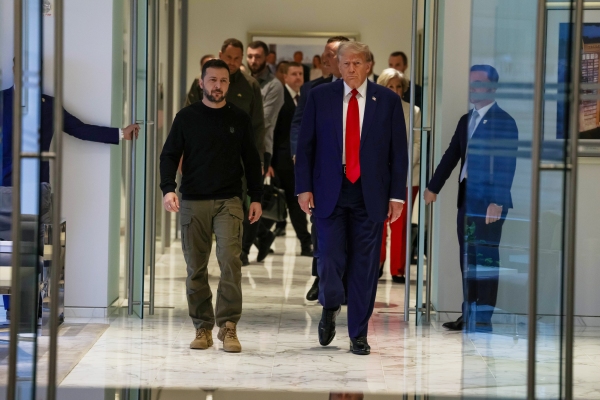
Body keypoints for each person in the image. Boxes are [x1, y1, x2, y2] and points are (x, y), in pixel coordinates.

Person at [1, 61, 140, 318]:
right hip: (5, 189)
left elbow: (79, 128)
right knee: (8, 249)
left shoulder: (48, 104)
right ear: (14, 67)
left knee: (35, 249)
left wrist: (121, 133)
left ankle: (29, 308)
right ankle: (11, 308)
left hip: (38, 189)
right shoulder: (2, 101)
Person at [295, 41, 408, 355]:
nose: (351, 69)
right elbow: (305, 147)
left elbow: (399, 153)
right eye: (345, 64)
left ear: (369, 65)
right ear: (337, 66)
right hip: (329, 189)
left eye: (357, 63)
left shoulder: (386, 100)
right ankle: (330, 304)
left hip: (370, 192)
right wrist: (303, 187)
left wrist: (397, 196)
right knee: (329, 258)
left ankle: (358, 332)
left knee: (364, 265)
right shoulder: (320, 97)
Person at [159, 59, 263, 353]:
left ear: (229, 84)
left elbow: (252, 161)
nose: (218, 86)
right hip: (193, 201)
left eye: (223, 81)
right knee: (196, 267)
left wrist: (256, 197)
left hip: (229, 200)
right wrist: (168, 189)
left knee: (231, 260)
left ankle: (228, 326)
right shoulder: (186, 117)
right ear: (202, 82)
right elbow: (168, 156)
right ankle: (202, 326)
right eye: (212, 80)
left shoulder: (239, 118)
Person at [424, 65, 518, 332]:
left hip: (489, 203)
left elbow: (506, 164)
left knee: (486, 260)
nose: (472, 88)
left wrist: (497, 201)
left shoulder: (504, 122)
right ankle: (468, 314)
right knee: (468, 258)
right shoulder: (466, 120)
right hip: (466, 200)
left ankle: (483, 319)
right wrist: (433, 187)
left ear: (492, 87)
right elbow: (451, 156)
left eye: (478, 83)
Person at [290, 36, 349, 302]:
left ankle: (343, 281)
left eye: (331, 53)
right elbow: (298, 125)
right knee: (320, 228)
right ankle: (321, 277)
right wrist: (296, 153)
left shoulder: (367, 90)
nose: (325, 58)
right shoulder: (313, 89)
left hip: (354, 175)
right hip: (322, 173)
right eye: (324, 53)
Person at [256, 62, 312, 258]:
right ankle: (304, 243)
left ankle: (263, 237)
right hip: (279, 161)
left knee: (290, 204)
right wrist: (268, 162)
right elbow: (271, 130)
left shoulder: (304, 98)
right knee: (278, 203)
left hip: (296, 162)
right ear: (285, 77)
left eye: (300, 74)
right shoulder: (282, 98)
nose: (298, 77)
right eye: (293, 74)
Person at [376, 68, 421, 283]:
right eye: (390, 86)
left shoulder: (414, 111)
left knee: (400, 225)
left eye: (398, 86)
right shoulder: (372, 108)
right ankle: (377, 263)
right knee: (377, 222)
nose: (395, 91)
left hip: (406, 177)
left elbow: (417, 144)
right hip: (376, 177)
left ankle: (398, 268)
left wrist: (399, 168)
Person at [244, 40, 285, 264]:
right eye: (250, 56)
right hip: (236, 148)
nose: (253, 61)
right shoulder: (239, 81)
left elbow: (264, 121)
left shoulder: (274, 86)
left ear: (267, 58)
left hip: (261, 149)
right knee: (238, 200)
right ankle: (263, 234)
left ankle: (244, 250)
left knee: (251, 200)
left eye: (257, 56)